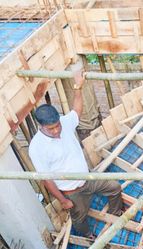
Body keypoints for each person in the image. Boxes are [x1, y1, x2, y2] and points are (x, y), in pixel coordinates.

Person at [29, 71, 123, 239]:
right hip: (72, 191)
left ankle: (116, 214)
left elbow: (77, 111)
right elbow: (46, 179)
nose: (57, 129)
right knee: (79, 218)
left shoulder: (64, 122)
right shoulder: (37, 147)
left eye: (57, 125)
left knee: (114, 187)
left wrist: (77, 87)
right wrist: (63, 200)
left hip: (88, 179)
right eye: (51, 128)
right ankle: (88, 235)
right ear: (41, 126)